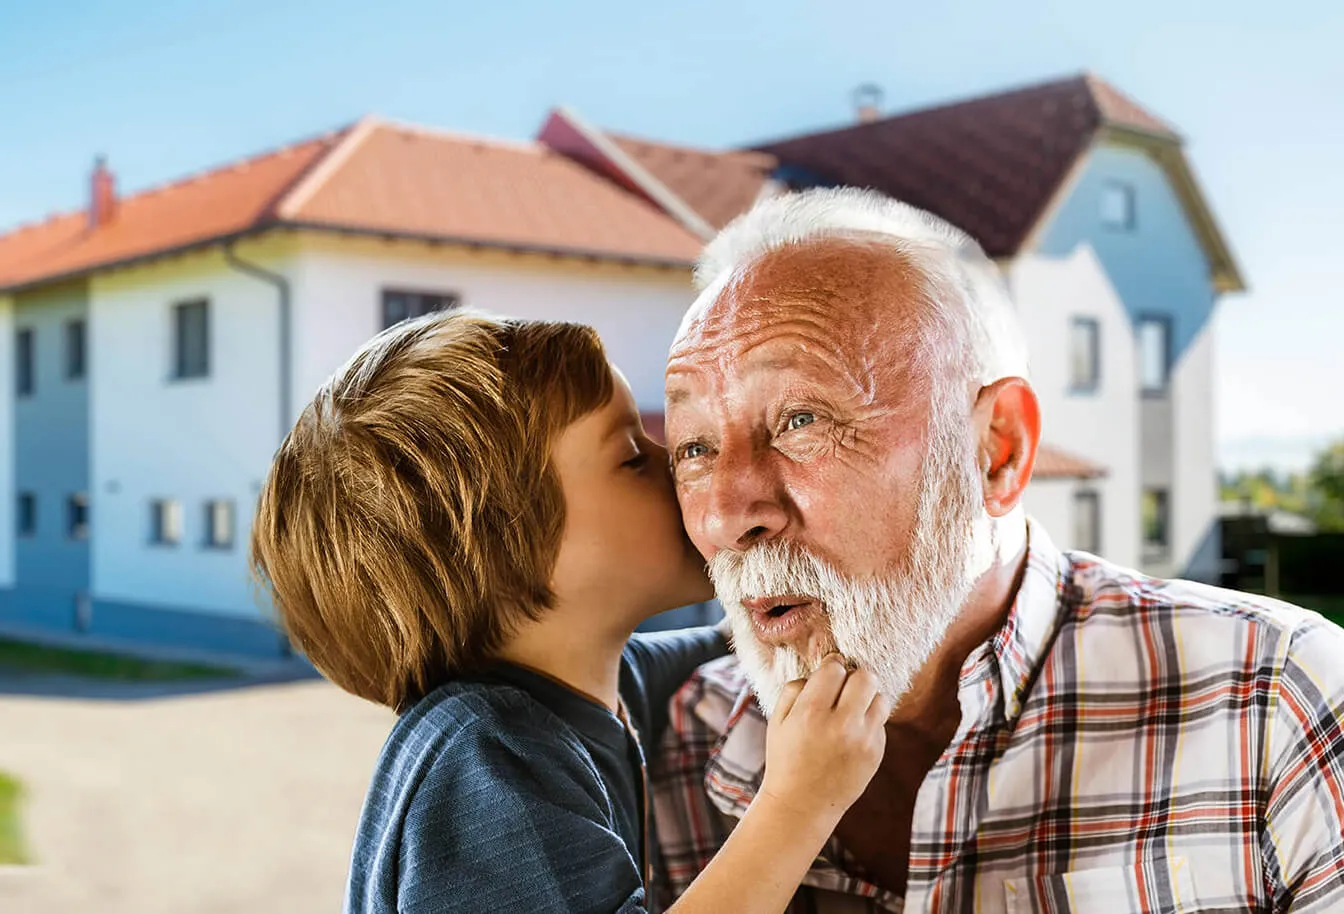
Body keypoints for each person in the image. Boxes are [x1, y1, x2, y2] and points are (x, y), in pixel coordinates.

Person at [652, 187, 1344, 913]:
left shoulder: (1276, 702)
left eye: (802, 419)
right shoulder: (677, 743)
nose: (727, 515)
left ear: (995, 450)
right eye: (694, 447)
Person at [249, 309, 893, 914]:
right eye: (632, 458)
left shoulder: (600, 687)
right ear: (509, 551)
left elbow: (726, 640)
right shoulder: (483, 756)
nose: (683, 469)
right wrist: (798, 802)